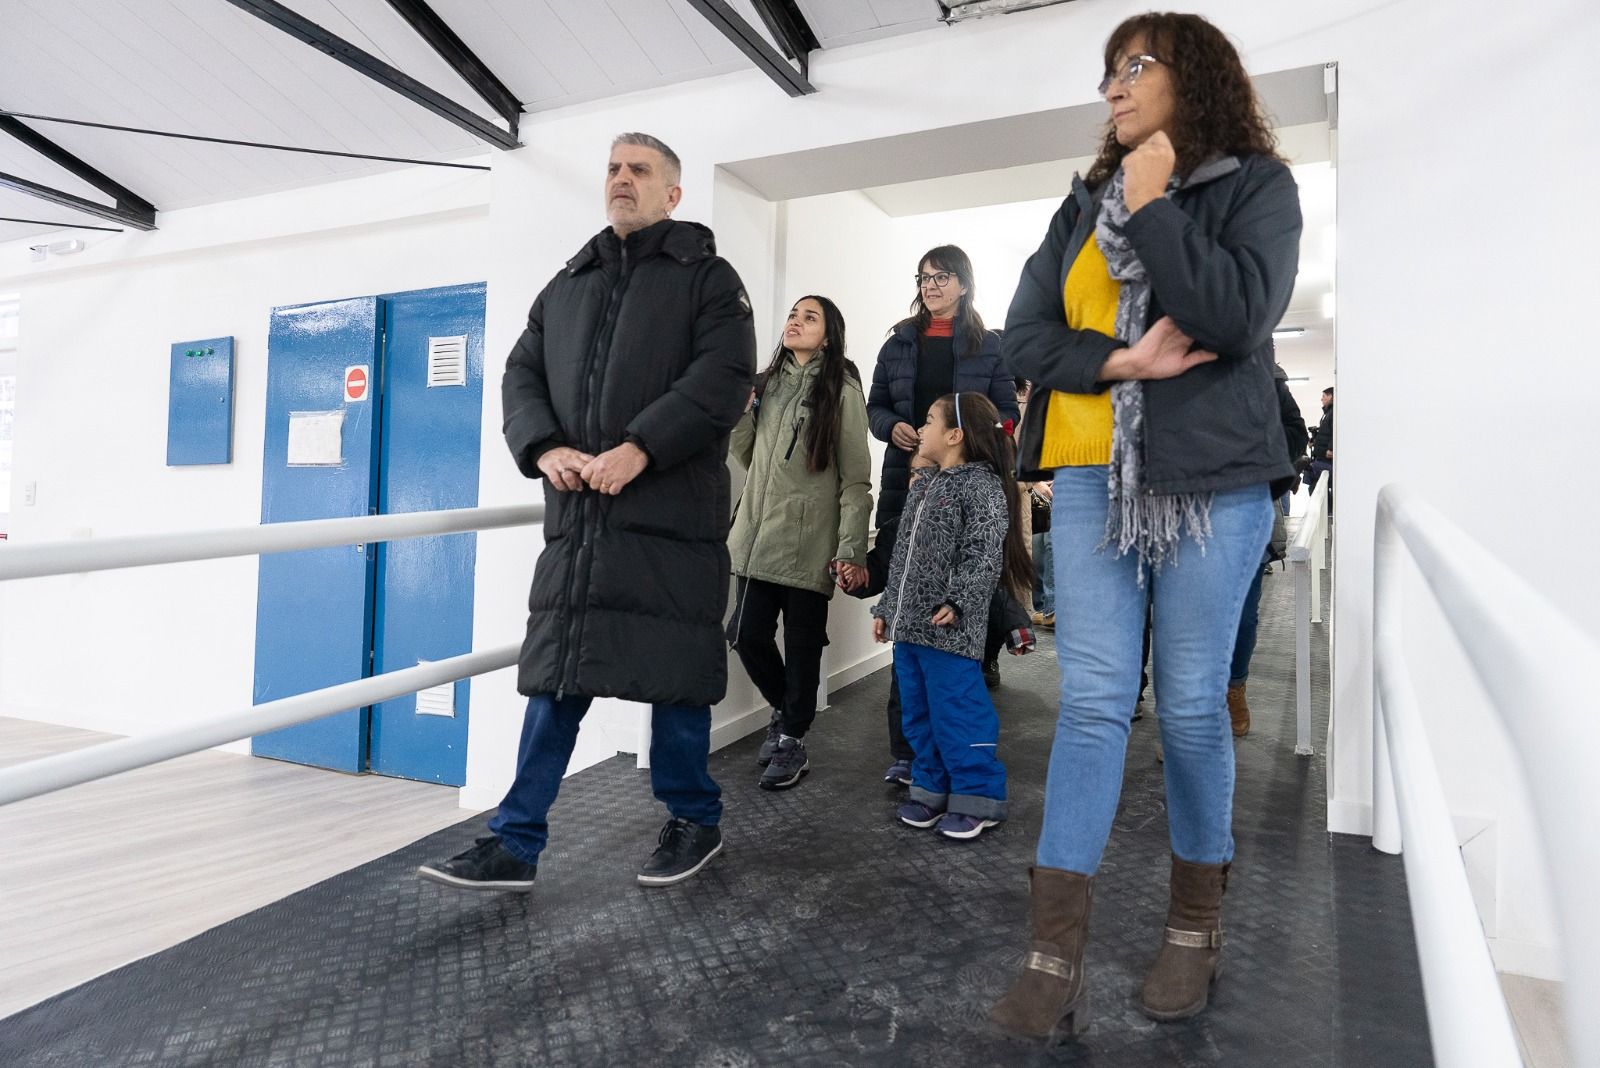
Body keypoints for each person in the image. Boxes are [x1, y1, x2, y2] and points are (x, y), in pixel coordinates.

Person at [990, 12, 1301, 1039]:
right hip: (1088, 475)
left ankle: (1192, 929)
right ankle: (1053, 947)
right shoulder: (1080, 204)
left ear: (1191, 77)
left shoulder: (1255, 186)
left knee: (1190, 706)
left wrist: (1157, 203)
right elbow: (1026, 332)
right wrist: (1119, 361)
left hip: (1211, 479)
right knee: (1089, 704)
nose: (1112, 90)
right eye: (1106, 74)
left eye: (1135, 68)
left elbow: (1235, 316)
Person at [418, 133, 755, 893]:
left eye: (640, 171)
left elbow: (724, 379)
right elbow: (519, 373)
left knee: (672, 676)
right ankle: (516, 839)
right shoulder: (568, 283)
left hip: (669, 516)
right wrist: (543, 448)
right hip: (579, 519)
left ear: (673, 194)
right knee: (558, 675)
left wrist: (642, 447)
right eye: (613, 169)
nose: (621, 180)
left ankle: (694, 818)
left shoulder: (708, 279)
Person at [870, 392, 1033, 841]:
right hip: (910, 630)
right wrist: (886, 608)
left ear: (955, 434)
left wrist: (959, 601)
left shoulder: (980, 487)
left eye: (928, 420)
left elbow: (982, 555)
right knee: (918, 715)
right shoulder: (923, 485)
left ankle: (979, 796)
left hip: (949, 631)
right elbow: (901, 556)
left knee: (956, 712)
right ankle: (931, 788)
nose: (920, 429)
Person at [725, 295, 873, 791]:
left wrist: (851, 548)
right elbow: (746, 455)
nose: (795, 322)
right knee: (745, 635)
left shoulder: (842, 389)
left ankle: (792, 739)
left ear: (828, 335)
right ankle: (787, 714)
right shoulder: (767, 384)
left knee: (803, 645)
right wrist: (744, 410)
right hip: (756, 535)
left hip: (812, 540)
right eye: (792, 314)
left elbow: (855, 479)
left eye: (810, 317)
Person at [867, 245, 1019, 692]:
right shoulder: (897, 343)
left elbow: (1005, 414)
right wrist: (891, 426)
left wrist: (965, 447)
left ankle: (976, 660)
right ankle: (908, 693)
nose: (930, 286)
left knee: (966, 573)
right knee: (907, 568)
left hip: (966, 479)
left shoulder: (989, 344)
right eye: (923, 278)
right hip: (905, 473)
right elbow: (875, 405)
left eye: (941, 277)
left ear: (964, 284)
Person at [844, 452, 1034, 786]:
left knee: (952, 707)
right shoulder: (898, 528)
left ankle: (970, 783)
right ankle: (907, 758)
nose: (922, 482)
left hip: (950, 637)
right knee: (906, 701)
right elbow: (885, 573)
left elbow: (989, 581)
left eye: (929, 474)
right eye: (916, 475)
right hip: (908, 637)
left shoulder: (962, 525)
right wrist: (860, 583)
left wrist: (1016, 625)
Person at [1226, 361, 1309, 735]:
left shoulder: (1266, 371)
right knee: (1181, 621)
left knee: (1243, 617)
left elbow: (1295, 431)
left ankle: (1234, 689)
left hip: (1247, 507)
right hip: (1183, 512)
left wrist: (1253, 451)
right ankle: (1188, 713)